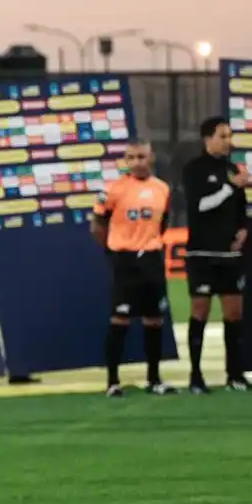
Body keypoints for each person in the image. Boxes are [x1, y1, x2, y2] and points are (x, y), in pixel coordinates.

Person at [180, 116, 252, 392]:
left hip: (229, 255)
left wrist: (243, 231)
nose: (229, 141)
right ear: (208, 139)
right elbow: (201, 205)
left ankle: (234, 375)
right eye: (223, 136)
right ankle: (195, 376)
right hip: (202, 253)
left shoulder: (231, 168)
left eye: (229, 136)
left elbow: (242, 210)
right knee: (200, 311)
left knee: (234, 314)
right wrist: (230, 187)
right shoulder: (194, 169)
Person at [91, 138, 174, 396]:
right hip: (125, 260)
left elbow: (163, 223)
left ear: (151, 157)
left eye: (142, 157)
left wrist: (151, 244)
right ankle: (113, 382)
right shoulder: (113, 189)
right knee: (120, 319)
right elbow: (97, 225)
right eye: (132, 158)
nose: (138, 162)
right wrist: (112, 251)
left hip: (151, 258)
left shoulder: (162, 189)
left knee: (154, 319)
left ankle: (154, 379)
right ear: (126, 161)